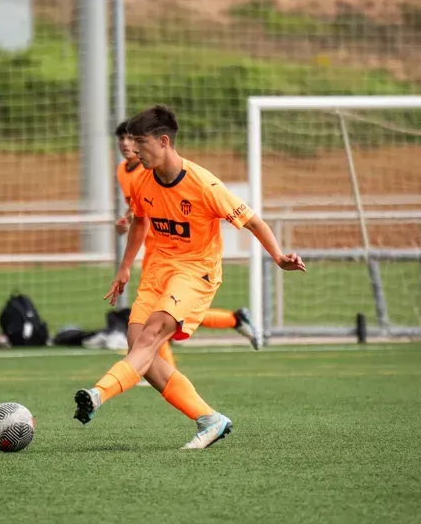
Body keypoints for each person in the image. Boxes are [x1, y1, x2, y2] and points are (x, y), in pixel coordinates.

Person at [75, 105, 305, 449]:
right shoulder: (141, 180)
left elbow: (254, 221)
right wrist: (124, 267)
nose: (135, 151)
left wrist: (278, 257)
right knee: (139, 346)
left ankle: (97, 393)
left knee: (152, 336)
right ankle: (209, 419)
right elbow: (139, 220)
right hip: (157, 270)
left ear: (164, 141)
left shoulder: (204, 184)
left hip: (196, 271)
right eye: (132, 144)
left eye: (141, 143)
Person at [114, 120, 260, 354]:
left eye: (132, 139)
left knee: (158, 317)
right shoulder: (123, 171)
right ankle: (233, 319)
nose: (125, 144)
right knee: (165, 315)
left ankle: (154, 370)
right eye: (121, 138)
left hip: (174, 249)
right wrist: (126, 219)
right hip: (155, 247)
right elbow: (139, 208)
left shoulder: (154, 167)